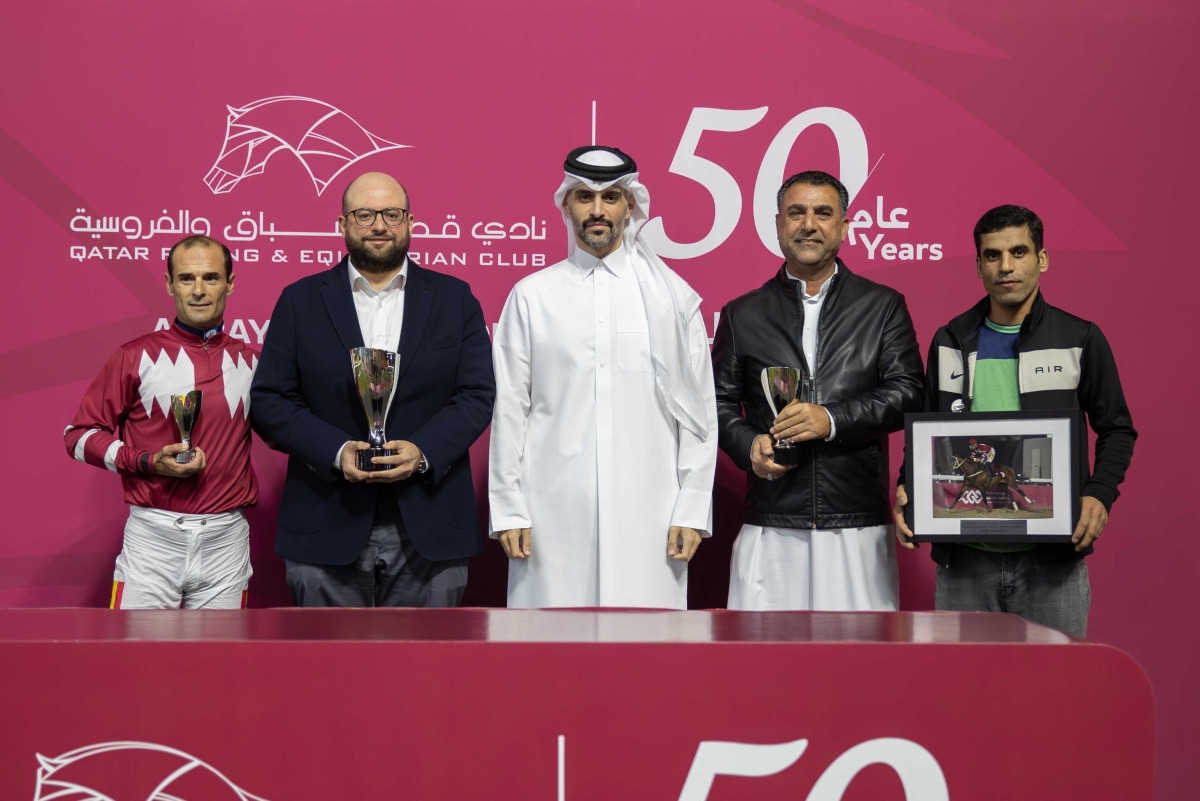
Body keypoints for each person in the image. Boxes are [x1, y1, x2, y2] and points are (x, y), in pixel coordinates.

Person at [250, 172, 495, 607]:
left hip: (430, 524)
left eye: (392, 214)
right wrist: (337, 451)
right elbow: (271, 400)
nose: (379, 225)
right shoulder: (299, 301)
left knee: (426, 655)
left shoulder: (455, 299)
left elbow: (476, 394)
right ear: (343, 224)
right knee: (327, 654)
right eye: (364, 214)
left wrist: (422, 452)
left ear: (410, 222)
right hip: (326, 522)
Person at [488, 145, 718, 608]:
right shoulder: (531, 296)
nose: (597, 210)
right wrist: (509, 509)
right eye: (584, 197)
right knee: (548, 643)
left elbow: (699, 415)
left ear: (630, 206)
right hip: (550, 517)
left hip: (652, 517)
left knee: (645, 646)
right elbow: (510, 408)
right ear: (565, 205)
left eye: (610, 197)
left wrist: (693, 507)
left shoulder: (672, 299)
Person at [893, 205, 1136, 637]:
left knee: (1057, 680)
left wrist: (1099, 494)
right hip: (965, 562)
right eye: (993, 255)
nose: (1006, 266)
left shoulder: (1079, 338)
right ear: (979, 266)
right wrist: (905, 487)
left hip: (1052, 564)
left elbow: (1117, 429)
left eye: (1019, 252)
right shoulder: (949, 340)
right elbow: (926, 434)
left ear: (1042, 259)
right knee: (966, 680)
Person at [712, 170, 923, 611]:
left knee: (858, 653)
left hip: (856, 523)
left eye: (823, 213)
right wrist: (749, 445)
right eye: (796, 213)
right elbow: (717, 403)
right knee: (761, 652)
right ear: (778, 224)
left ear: (844, 227)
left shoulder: (883, 306)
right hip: (771, 521)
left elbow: (908, 392)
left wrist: (831, 419)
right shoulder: (741, 314)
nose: (808, 224)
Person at [64, 235, 258, 609]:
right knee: (134, 649)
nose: (198, 291)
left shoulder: (253, 363)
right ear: (169, 284)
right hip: (152, 538)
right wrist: (148, 462)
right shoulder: (134, 357)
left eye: (211, 278)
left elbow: (287, 430)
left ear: (230, 283)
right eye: (186, 278)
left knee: (222, 651)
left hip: (226, 541)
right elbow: (78, 436)